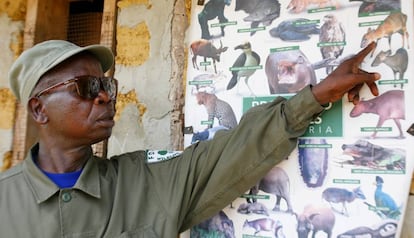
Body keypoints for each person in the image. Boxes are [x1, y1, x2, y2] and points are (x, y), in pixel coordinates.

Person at [0, 40, 379, 237]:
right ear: (39, 109)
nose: (104, 97)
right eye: (86, 87)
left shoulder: (145, 182)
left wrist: (316, 95)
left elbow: (235, 150)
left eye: (107, 86)